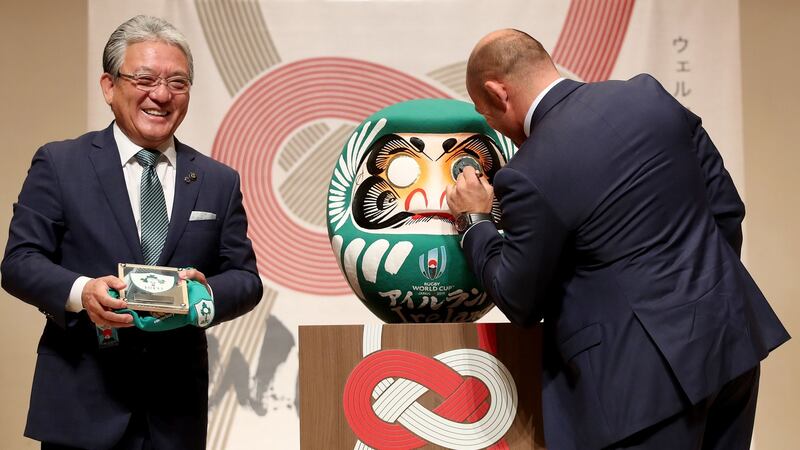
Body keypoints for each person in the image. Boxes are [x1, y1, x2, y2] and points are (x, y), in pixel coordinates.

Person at [446, 29, 789, 450]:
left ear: (498, 93)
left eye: (486, 114)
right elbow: (725, 208)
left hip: (638, 389)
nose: (493, 125)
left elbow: (519, 299)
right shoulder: (649, 97)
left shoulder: (529, 172)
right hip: (729, 344)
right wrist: (701, 294)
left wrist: (474, 220)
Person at [1, 15, 263, 449]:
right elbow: (19, 262)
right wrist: (82, 292)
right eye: (145, 79)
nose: (161, 95)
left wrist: (204, 297)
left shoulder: (218, 180)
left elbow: (245, 278)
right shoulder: (60, 164)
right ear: (109, 86)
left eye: (177, 82)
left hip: (174, 414)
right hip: (81, 406)